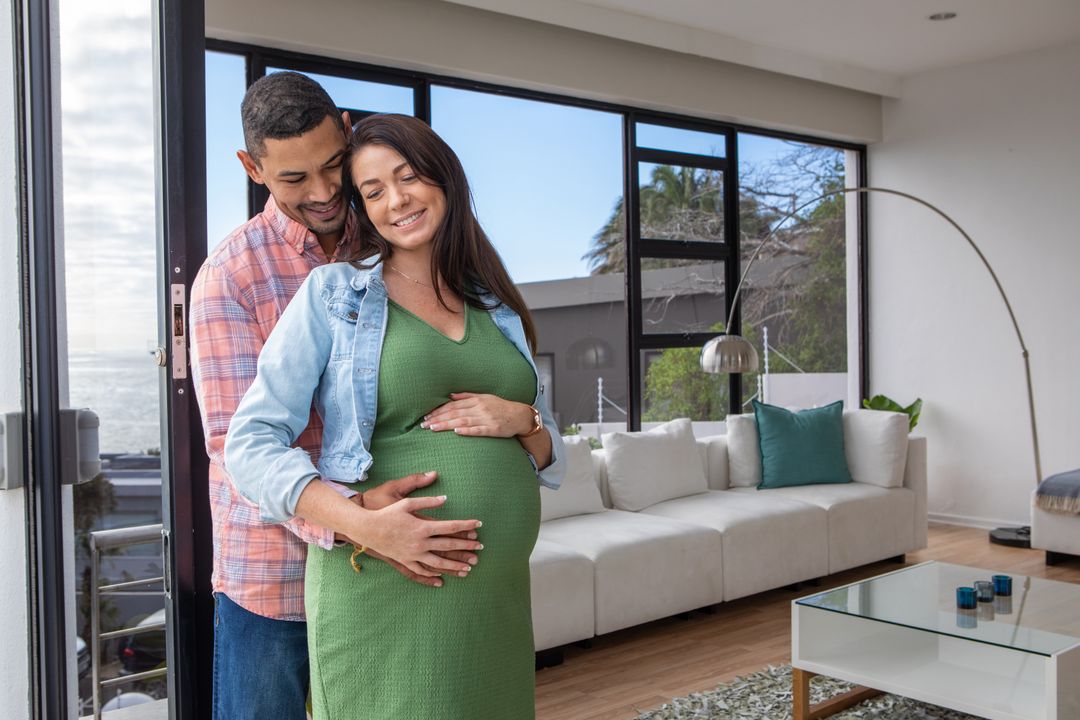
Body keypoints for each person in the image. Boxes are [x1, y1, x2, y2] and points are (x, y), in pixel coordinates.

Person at [224, 113, 566, 719]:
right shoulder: (335, 294)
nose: (397, 201)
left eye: (408, 177)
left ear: (444, 177)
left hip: (495, 600)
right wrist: (362, 523)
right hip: (387, 586)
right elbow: (249, 445)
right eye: (374, 191)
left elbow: (547, 455)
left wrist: (527, 421)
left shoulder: (494, 300)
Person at [190, 73, 484, 720]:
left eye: (332, 166)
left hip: (390, 559)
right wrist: (354, 519)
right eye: (295, 179)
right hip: (274, 576)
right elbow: (236, 446)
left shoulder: (390, 237)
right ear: (253, 168)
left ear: (347, 133)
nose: (324, 193)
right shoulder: (229, 277)